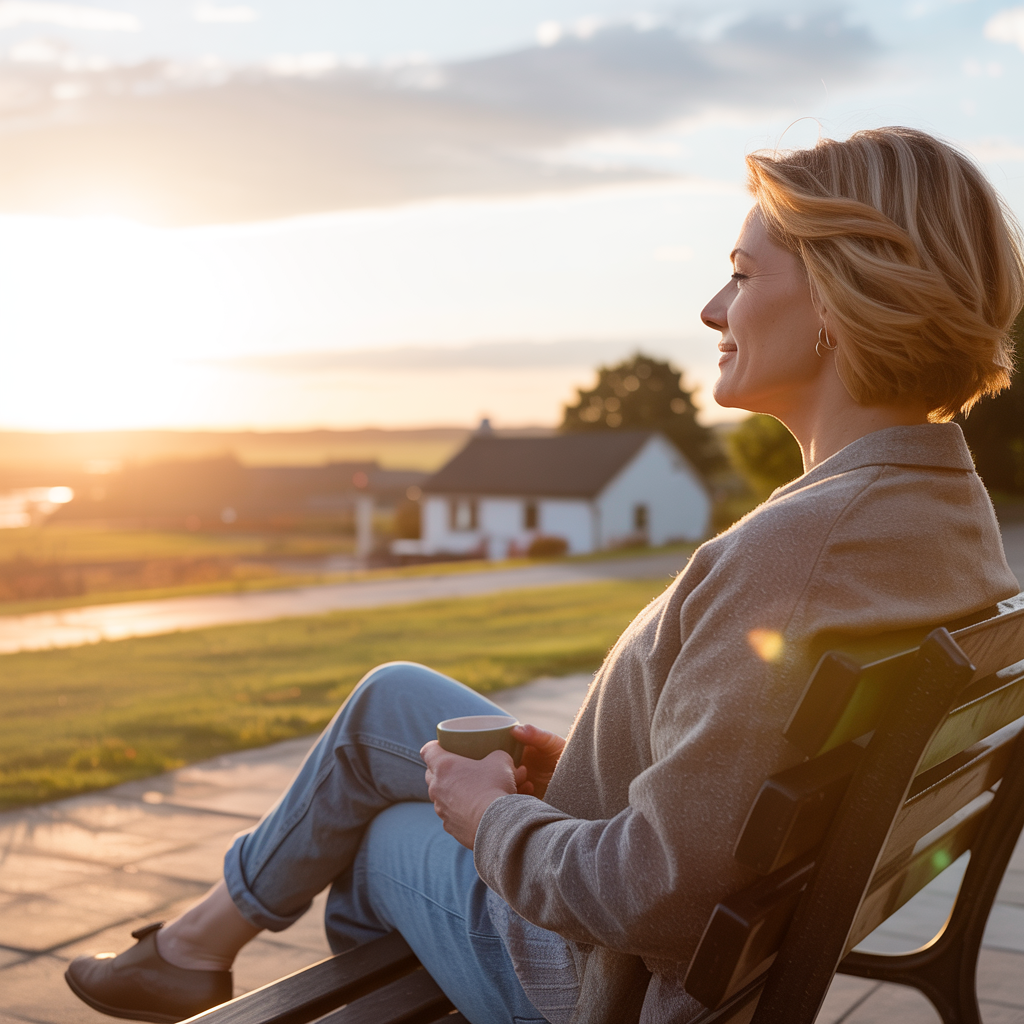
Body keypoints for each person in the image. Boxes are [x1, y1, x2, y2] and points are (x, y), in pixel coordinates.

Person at [66, 126, 1023, 1024]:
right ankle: (194, 945)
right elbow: (746, 769)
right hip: (734, 940)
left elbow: (660, 895)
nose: (711, 309)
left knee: (376, 841)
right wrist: (580, 770)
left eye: (739, 275)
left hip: (606, 978)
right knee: (393, 699)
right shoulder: (940, 512)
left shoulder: (796, 553)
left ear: (838, 296)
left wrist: (491, 817)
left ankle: (194, 948)